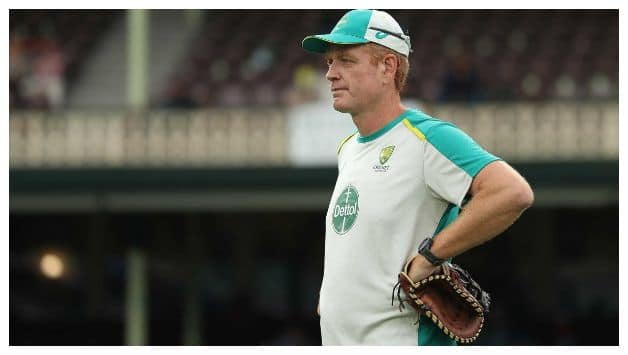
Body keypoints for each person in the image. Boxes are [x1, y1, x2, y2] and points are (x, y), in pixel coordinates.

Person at [301, 9, 534, 345]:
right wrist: (334, 295)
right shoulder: (348, 149)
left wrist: (430, 256)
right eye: (329, 62)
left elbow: (511, 192)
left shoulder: (427, 137)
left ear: (387, 67)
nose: (330, 74)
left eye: (346, 61)